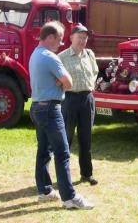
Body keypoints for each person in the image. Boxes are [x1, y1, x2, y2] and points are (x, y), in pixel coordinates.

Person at [29, 21, 94, 209]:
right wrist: (61, 81)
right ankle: (69, 197)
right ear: (49, 37)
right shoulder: (51, 57)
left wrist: (60, 81)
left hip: (37, 107)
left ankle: (45, 190)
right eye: (59, 39)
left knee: (44, 150)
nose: (61, 43)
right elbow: (69, 83)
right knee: (62, 152)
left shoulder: (35, 54)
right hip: (50, 109)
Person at [59, 24, 99, 186]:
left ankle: (87, 174)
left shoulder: (89, 55)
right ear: (71, 38)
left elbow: (95, 72)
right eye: (79, 37)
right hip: (69, 100)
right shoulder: (62, 57)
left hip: (87, 99)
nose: (82, 40)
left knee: (86, 138)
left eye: (85, 37)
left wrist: (90, 86)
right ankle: (64, 176)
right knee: (66, 138)